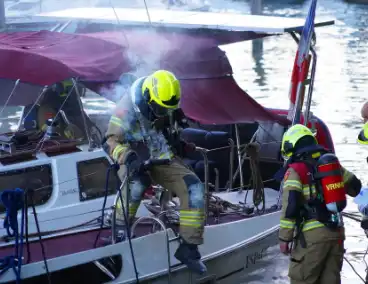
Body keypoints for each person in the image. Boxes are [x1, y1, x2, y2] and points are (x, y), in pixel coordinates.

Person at [104, 69, 207, 274]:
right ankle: (119, 232)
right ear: (149, 97)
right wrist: (128, 157)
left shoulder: (166, 103)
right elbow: (110, 141)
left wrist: (179, 143)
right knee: (138, 182)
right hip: (133, 158)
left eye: (167, 109)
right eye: (159, 109)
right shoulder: (126, 108)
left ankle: (189, 247)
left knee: (195, 187)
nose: (163, 113)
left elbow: (167, 128)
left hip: (159, 155)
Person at [277, 124, 361, 284]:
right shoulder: (331, 165)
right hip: (336, 233)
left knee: (302, 279)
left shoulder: (295, 170)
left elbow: (291, 205)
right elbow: (355, 187)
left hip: (312, 238)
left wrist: (284, 239)